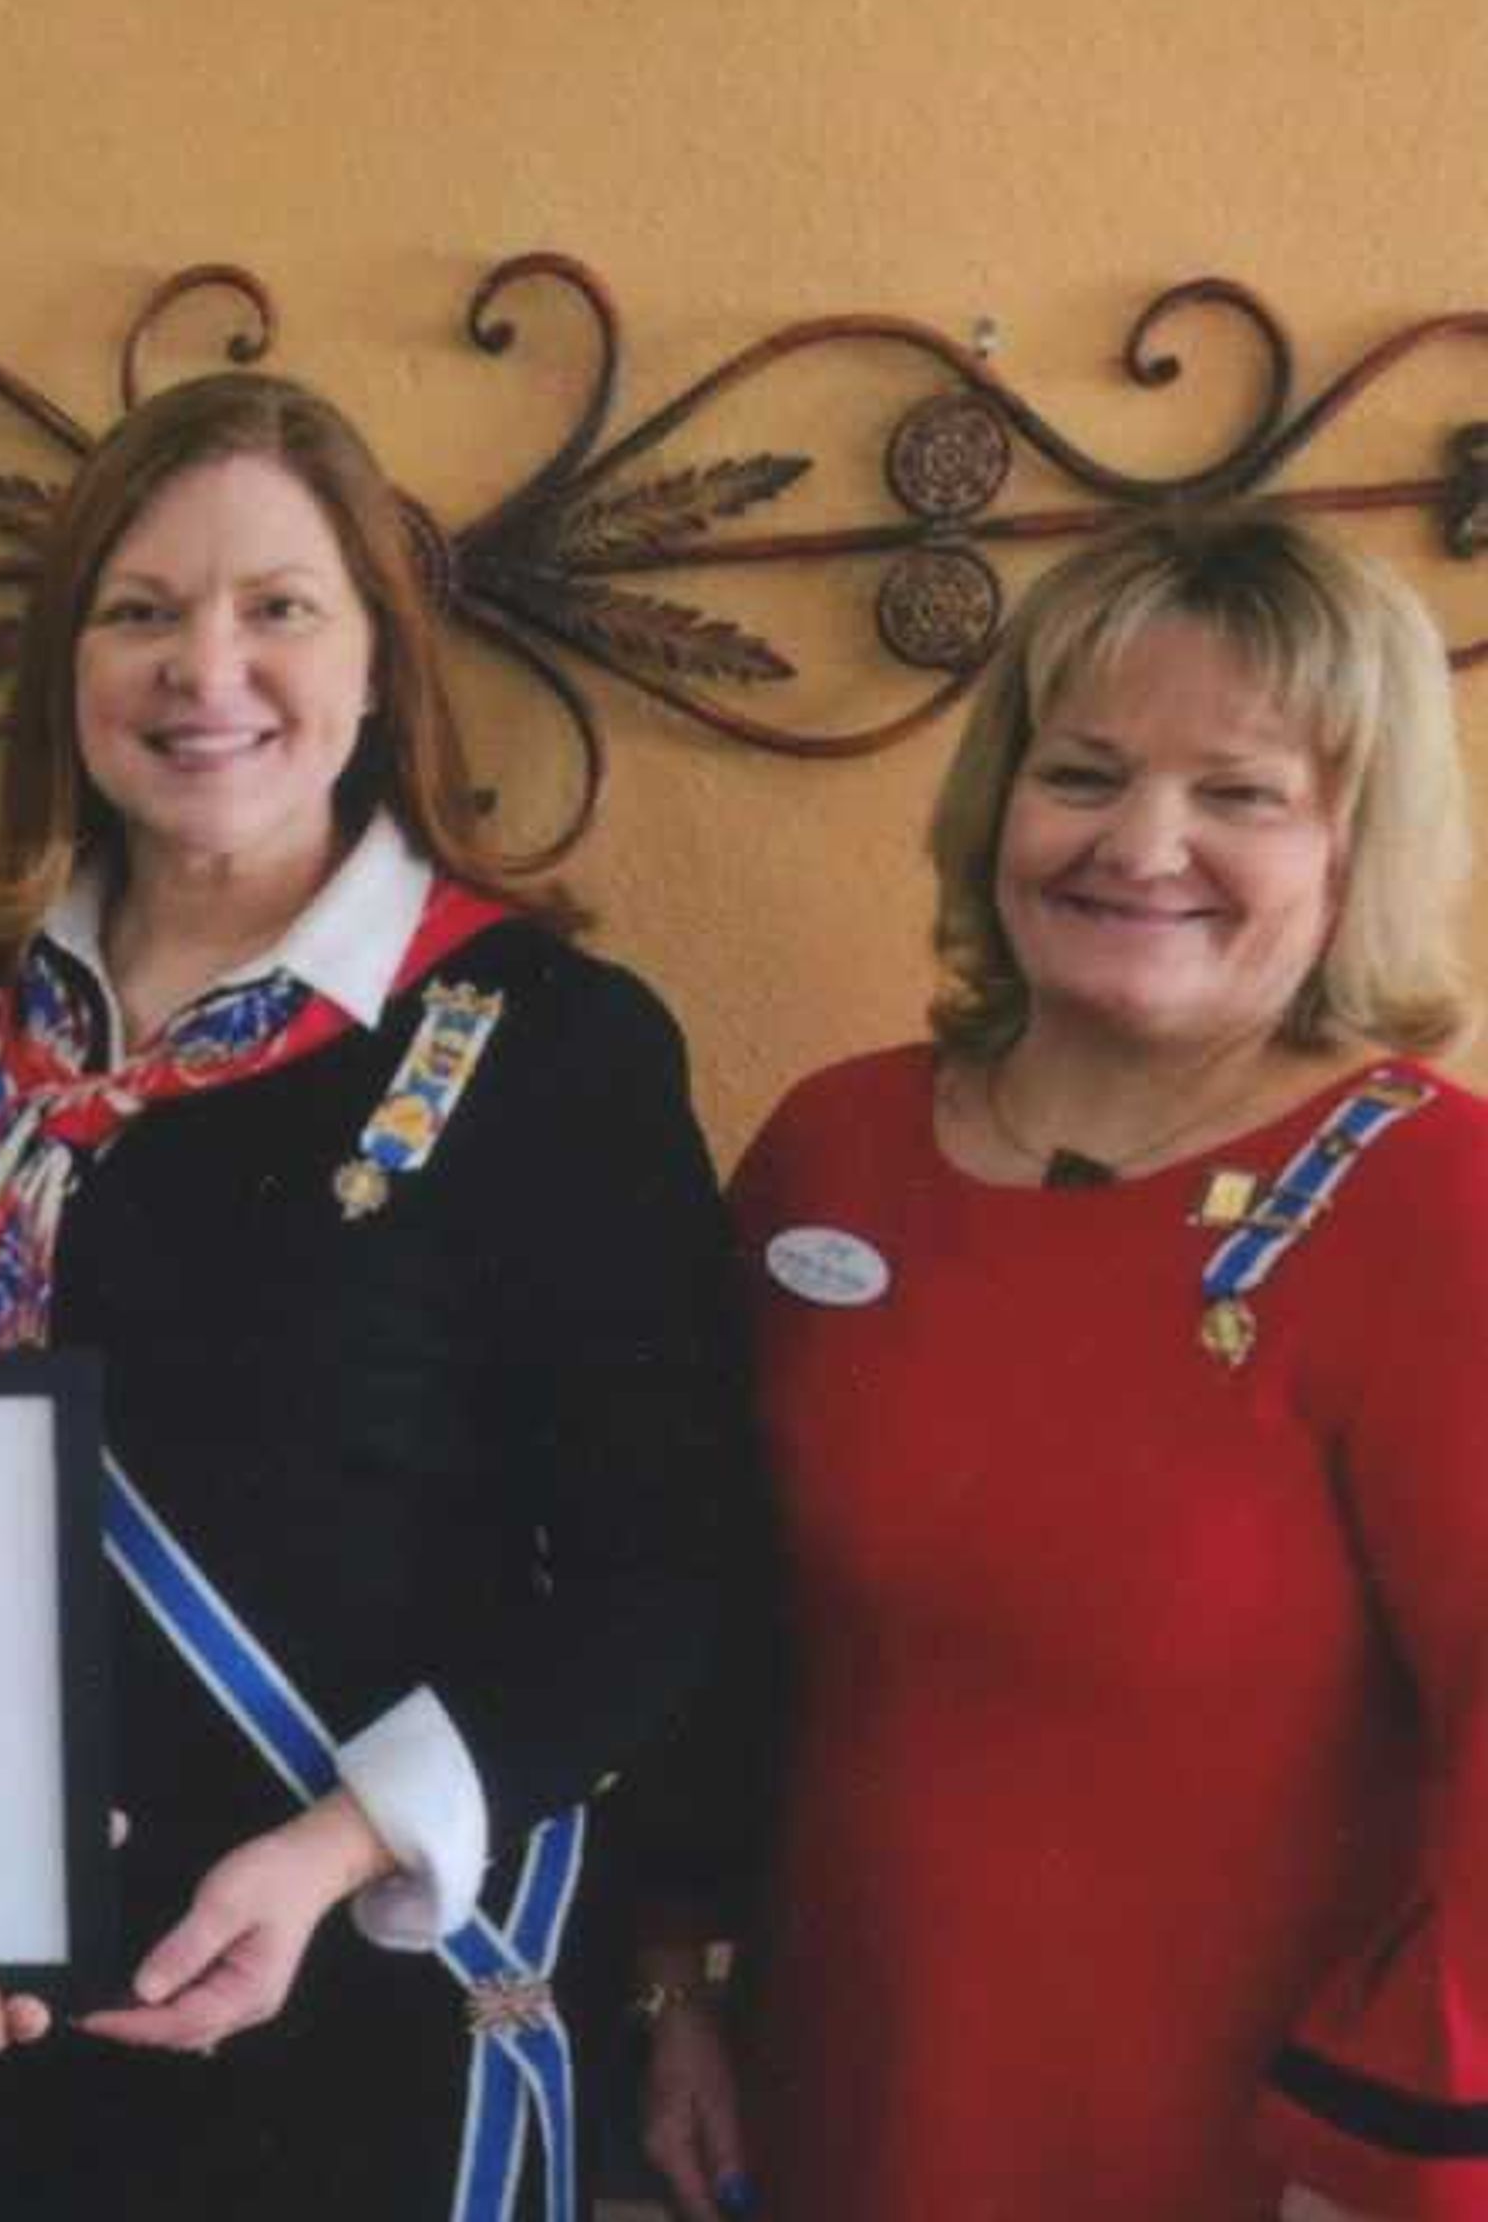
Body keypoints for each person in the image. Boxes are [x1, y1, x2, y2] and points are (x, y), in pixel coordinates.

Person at [0, 372, 744, 2219]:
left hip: (384, 1988)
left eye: (278, 608)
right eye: (142, 610)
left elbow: (669, 1578)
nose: (207, 668)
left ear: (376, 666)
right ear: (68, 668)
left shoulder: (554, 1045)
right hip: (34, 2002)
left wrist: (329, 1857)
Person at [637, 509, 1488, 2222]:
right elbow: (700, 1617)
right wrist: (667, 1985)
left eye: (1240, 793)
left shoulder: (1439, 1201)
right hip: (827, 2108)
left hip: (1252, 2154)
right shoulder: (836, 1147)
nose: (1140, 841)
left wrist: (1385, 2156)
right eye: (1084, 771)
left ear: (1356, 846)